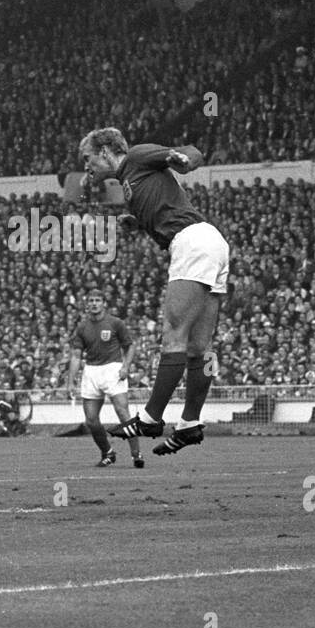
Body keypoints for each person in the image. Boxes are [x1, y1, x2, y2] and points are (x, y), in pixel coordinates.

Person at [80, 127, 229, 456]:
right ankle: (190, 423)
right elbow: (162, 204)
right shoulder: (130, 181)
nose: (86, 167)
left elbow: (191, 150)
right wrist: (139, 221)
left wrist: (182, 159)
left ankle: (150, 418)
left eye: (88, 159)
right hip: (211, 243)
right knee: (199, 347)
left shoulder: (134, 157)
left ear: (105, 151)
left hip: (191, 243)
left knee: (173, 335)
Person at [68, 290, 138, 467]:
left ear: (104, 303)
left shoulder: (116, 323)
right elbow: (76, 356)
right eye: (91, 300)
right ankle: (107, 452)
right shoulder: (82, 327)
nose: (94, 303)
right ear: (87, 304)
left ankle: (136, 454)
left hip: (113, 370)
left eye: (97, 300)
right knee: (91, 419)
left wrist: (125, 367)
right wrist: (70, 381)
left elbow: (130, 347)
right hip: (91, 371)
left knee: (123, 413)